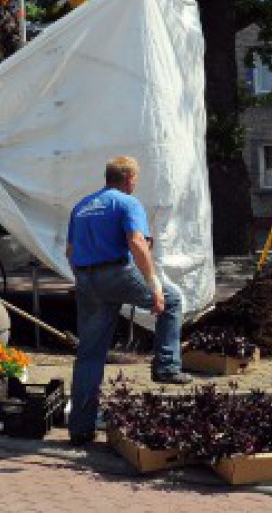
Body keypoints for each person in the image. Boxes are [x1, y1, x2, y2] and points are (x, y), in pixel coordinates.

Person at [66, 155, 189, 446]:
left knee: (89, 355)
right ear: (129, 178)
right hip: (116, 273)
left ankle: (80, 428)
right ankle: (167, 366)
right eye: (135, 179)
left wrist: (86, 280)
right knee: (171, 299)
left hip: (85, 278)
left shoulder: (81, 206)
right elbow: (136, 242)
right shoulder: (126, 203)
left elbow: (70, 252)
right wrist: (154, 285)